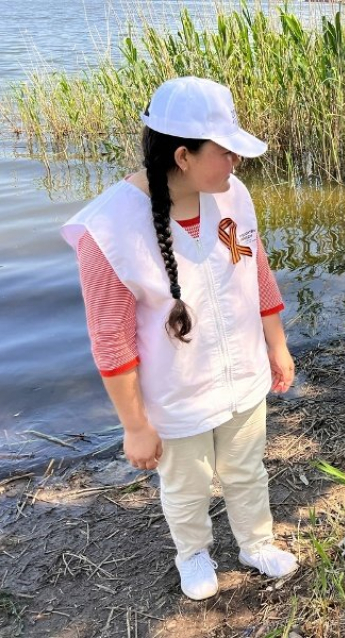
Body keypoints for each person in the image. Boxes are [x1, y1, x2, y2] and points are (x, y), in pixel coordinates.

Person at [61, 77, 299, 600]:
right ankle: (192, 552)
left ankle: (255, 542)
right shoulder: (110, 230)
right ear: (183, 156)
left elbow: (257, 270)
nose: (237, 162)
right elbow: (111, 339)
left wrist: (276, 345)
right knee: (186, 485)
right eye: (227, 151)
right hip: (177, 391)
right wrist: (135, 426)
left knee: (245, 467)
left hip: (242, 372)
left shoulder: (231, 193)